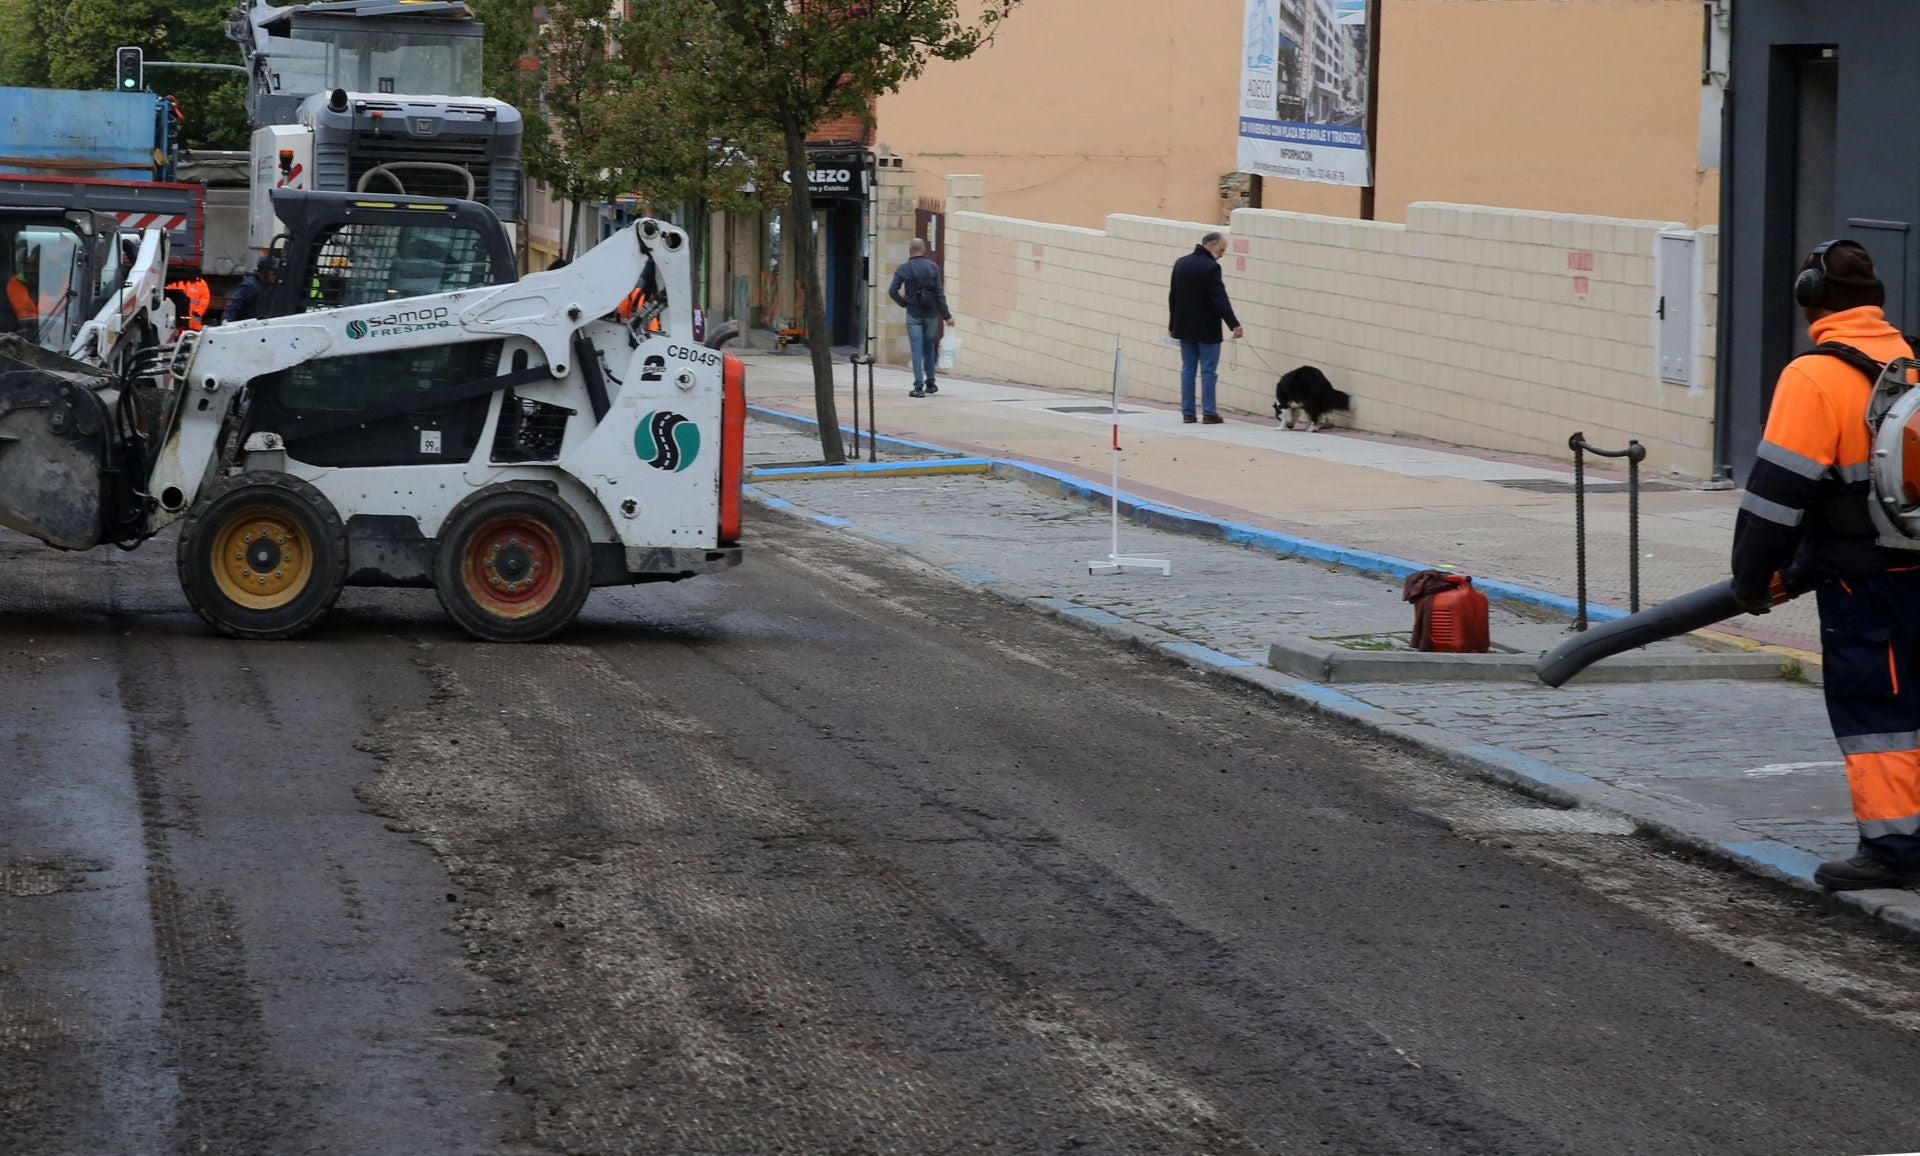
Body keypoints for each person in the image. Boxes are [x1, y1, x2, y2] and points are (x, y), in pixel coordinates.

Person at [1731, 238, 1920, 890]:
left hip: (1861, 583)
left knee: (1878, 713)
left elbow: (1775, 497)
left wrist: (1752, 579)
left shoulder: (1812, 376)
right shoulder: (1913, 362)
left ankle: (1895, 851)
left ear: (1812, 299)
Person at [1168, 231, 1244, 424]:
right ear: (1210, 245)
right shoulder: (1211, 267)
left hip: (1184, 327)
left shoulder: (1181, 263)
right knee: (1208, 371)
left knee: (1188, 370)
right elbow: (1220, 298)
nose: (1222, 254)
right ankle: (1209, 412)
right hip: (1207, 329)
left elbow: (1173, 296)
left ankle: (1188, 413)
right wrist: (1234, 324)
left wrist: (1172, 325)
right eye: (1221, 249)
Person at [888, 238, 950, 399]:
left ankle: (918, 387)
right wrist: (946, 316)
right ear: (924, 250)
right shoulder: (933, 268)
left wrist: (904, 303)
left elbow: (893, 290)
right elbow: (939, 293)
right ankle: (931, 382)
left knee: (917, 349)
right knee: (929, 348)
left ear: (910, 251)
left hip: (913, 313)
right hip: (931, 313)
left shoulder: (904, 269)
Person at [220, 254, 278, 324]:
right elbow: (234, 304)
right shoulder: (250, 285)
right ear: (265, 272)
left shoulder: (266, 285)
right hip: (245, 326)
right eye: (274, 273)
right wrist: (226, 322)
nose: (276, 276)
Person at [5, 246, 40, 336]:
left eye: (36, 266)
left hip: (58, 344)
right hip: (20, 340)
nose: (31, 270)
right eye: (28, 266)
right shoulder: (11, 285)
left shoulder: (65, 285)